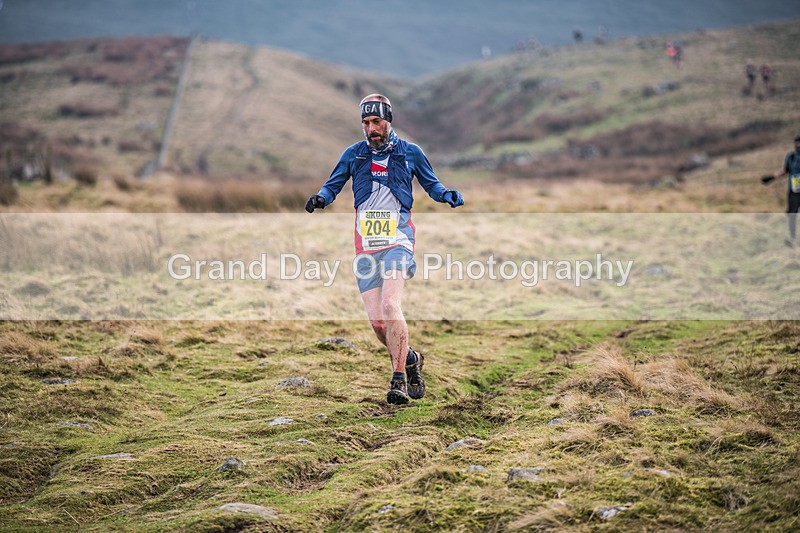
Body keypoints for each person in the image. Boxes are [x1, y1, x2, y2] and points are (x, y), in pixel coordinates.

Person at [305, 94, 465, 404]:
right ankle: (410, 358)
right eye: (365, 123)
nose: (370, 128)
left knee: (392, 305)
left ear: (388, 121)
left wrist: (446, 195)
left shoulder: (410, 153)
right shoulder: (354, 155)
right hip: (366, 247)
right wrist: (321, 198)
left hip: (398, 242)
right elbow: (333, 184)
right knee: (379, 325)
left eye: (376, 122)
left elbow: (432, 184)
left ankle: (398, 381)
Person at [765, 134, 800, 247]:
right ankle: (793, 239)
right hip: (793, 191)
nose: (798, 145)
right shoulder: (791, 156)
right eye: (796, 142)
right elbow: (785, 171)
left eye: (799, 142)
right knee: (791, 215)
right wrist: (772, 177)